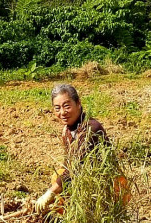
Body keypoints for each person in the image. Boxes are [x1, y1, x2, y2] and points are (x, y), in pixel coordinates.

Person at [34, 84, 109, 213]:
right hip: (82, 182)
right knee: (57, 175)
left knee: (60, 183)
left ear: (78, 103)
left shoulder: (90, 129)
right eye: (57, 108)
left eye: (67, 106)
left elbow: (76, 169)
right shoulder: (67, 130)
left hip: (103, 189)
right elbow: (68, 166)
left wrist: (50, 193)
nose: (62, 112)